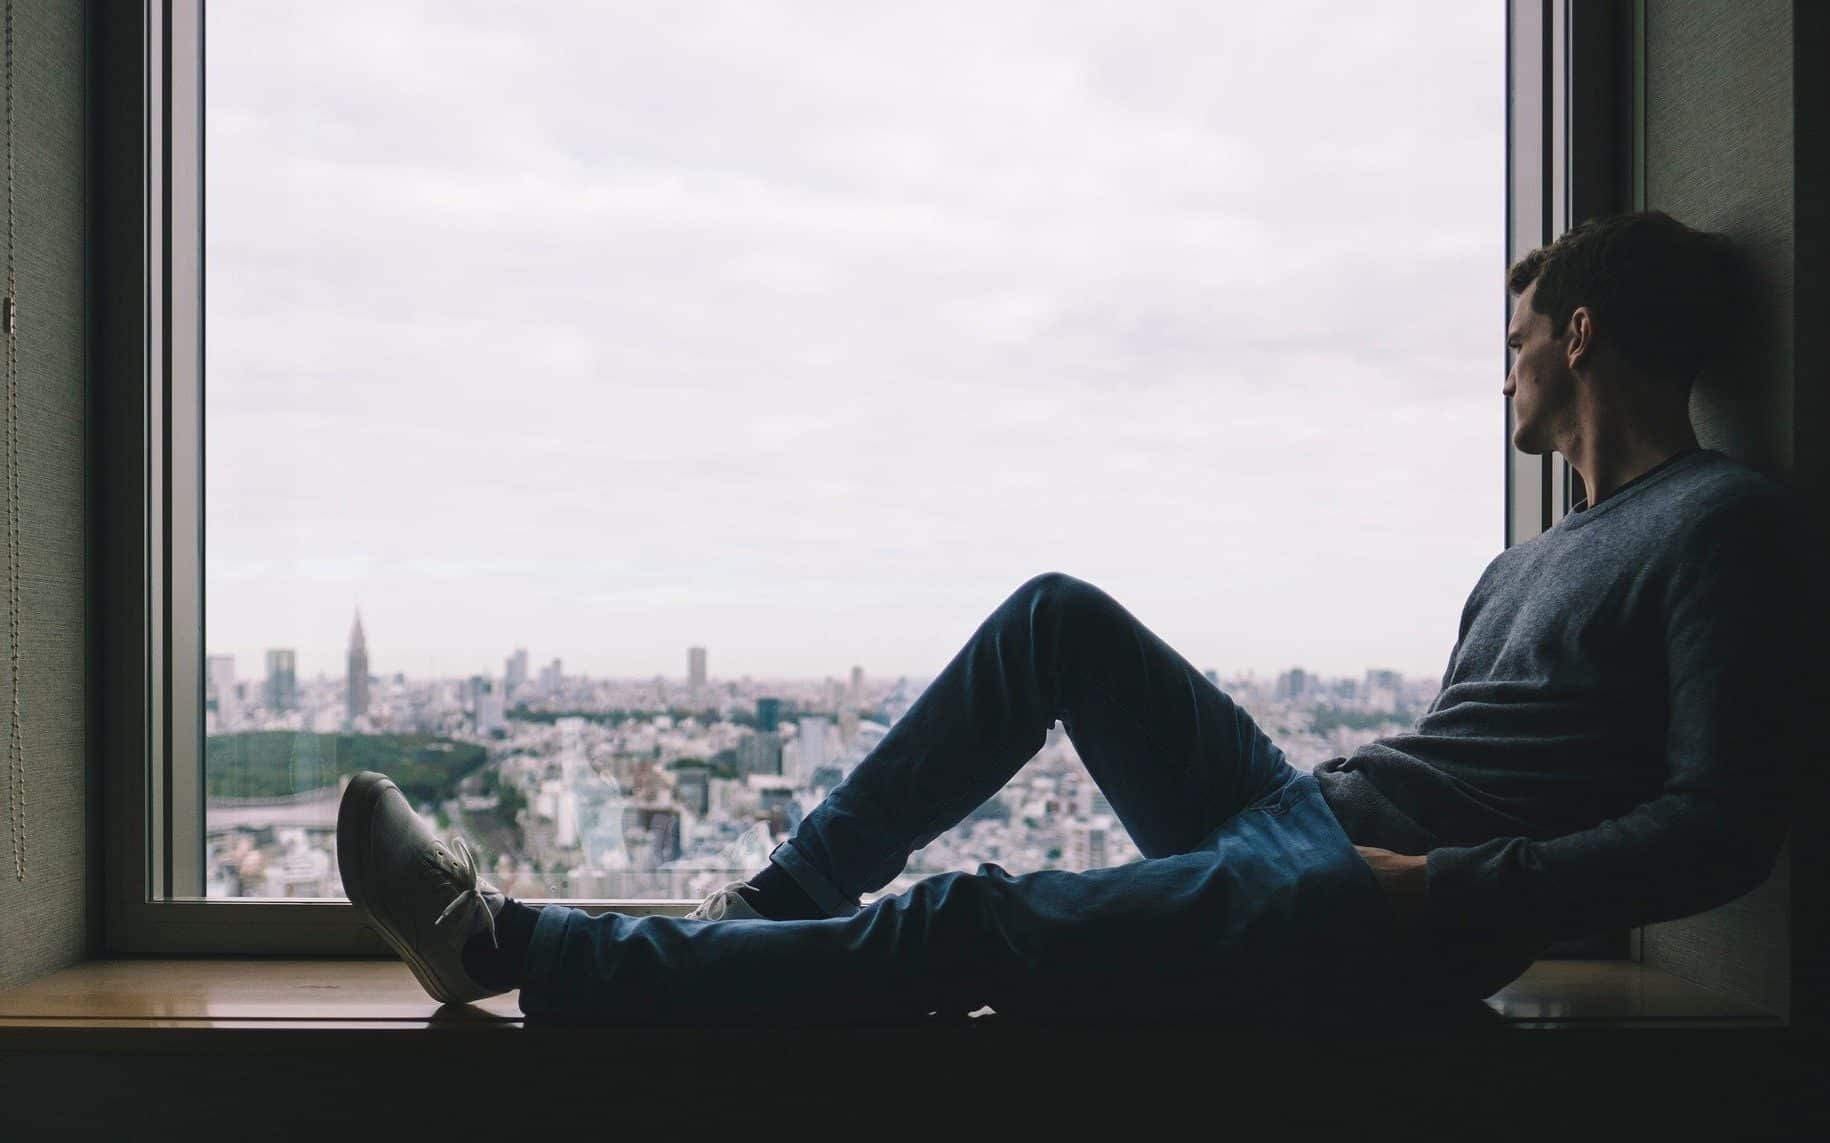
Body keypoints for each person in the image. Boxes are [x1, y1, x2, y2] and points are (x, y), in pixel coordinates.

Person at [336, 210, 1813, 1028]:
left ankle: (506, 947)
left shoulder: (1714, 520)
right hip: (1321, 831)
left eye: (1514, 344)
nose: (1500, 377)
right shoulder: (1524, 564)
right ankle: (771, 906)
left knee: (967, 919)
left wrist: (1433, 891)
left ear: (1578, 333)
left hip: (1373, 907)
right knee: (1055, 620)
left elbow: (1722, 827)